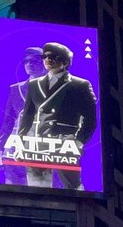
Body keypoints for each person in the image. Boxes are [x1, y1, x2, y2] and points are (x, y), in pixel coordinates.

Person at [17, 42, 97, 190]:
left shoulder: (80, 85)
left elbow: (90, 120)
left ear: (65, 61)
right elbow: (27, 116)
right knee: (36, 188)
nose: (48, 59)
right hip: (37, 143)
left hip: (65, 143)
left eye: (53, 56)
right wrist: (19, 142)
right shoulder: (34, 84)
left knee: (73, 188)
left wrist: (78, 142)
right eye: (45, 56)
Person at [0, 47, 47, 185]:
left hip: (45, 150)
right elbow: (8, 123)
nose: (29, 64)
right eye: (26, 61)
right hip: (15, 150)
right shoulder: (15, 89)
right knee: (12, 191)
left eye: (34, 61)